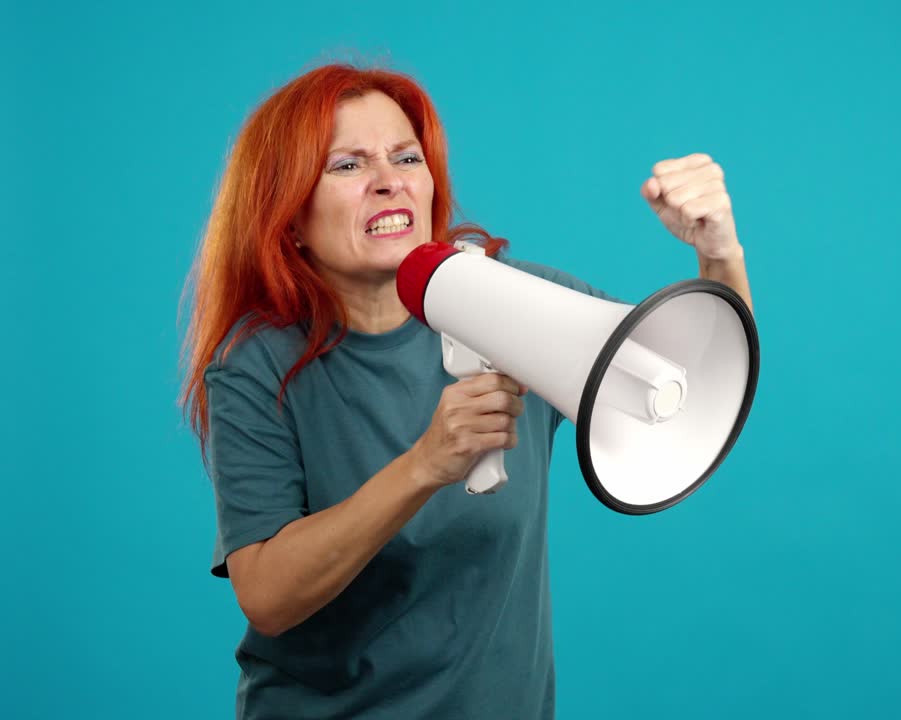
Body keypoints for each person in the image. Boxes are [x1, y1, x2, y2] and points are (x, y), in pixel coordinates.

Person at [180, 63, 754, 719]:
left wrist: (720, 253)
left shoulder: (514, 303)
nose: (390, 181)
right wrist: (425, 467)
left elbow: (700, 384)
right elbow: (267, 595)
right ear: (290, 219)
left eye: (406, 157)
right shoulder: (257, 367)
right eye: (347, 166)